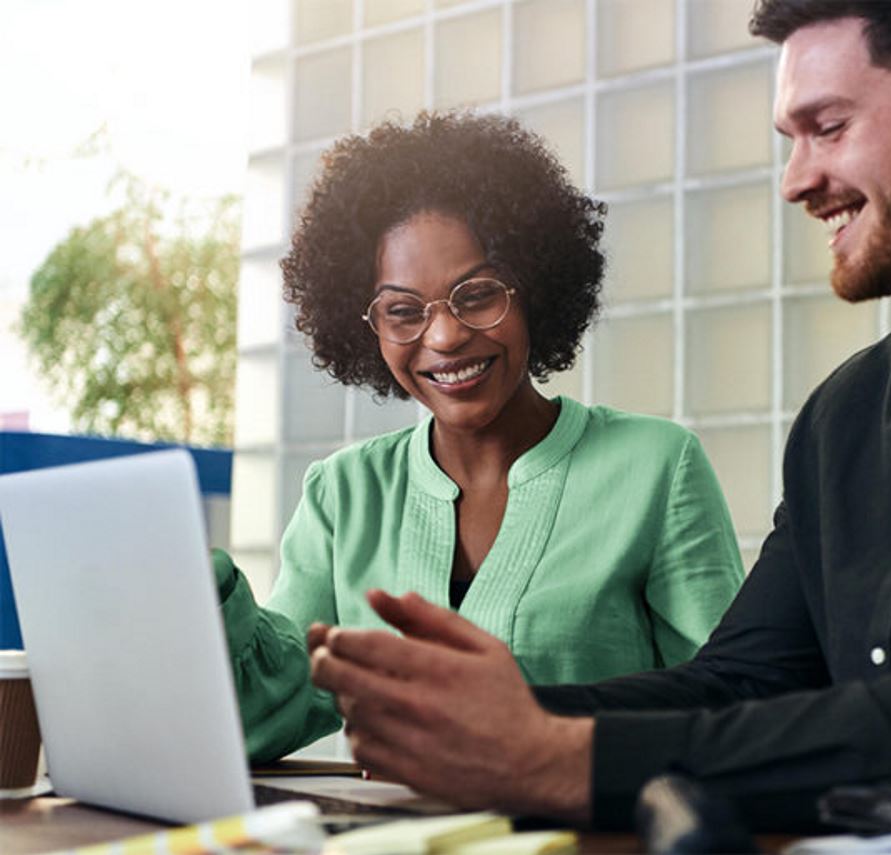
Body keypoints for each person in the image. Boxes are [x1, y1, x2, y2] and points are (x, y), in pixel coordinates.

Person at [307, 0, 891, 830]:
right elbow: (738, 683)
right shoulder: (845, 417)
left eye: (826, 127)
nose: (794, 179)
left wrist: (557, 757)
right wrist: (491, 715)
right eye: (789, 141)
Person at [214, 111, 744, 763]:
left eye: (477, 294)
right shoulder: (343, 494)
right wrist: (204, 591)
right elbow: (270, 711)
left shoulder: (656, 467)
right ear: (366, 327)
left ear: (536, 288)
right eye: (403, 310)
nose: (444, 337)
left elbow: (731, 708)